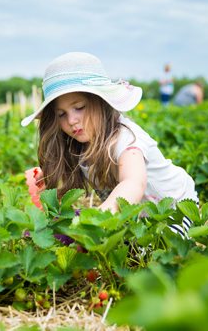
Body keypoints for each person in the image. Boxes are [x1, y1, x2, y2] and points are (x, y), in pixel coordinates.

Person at [21, 52, 198, 238]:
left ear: (102, 102)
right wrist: (46, 175)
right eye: (61, 114)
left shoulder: (126, 140)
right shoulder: (79, 144)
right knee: (69, 234)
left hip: (175, 209)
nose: (72, 120)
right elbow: (66, 171)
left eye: (79, 108)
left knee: (155, 254)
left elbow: (134, 182)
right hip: (137, 216)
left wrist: (99, 218)